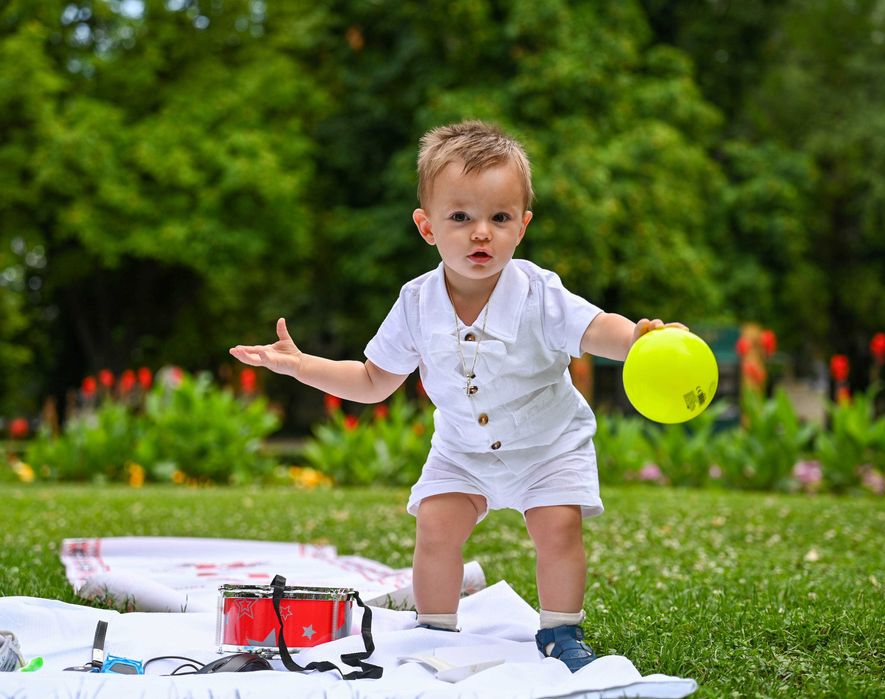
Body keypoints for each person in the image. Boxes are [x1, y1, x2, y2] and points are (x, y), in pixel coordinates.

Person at [229, 120, 686, 672]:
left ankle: (560, 629)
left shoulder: (541, 293)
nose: (481, 233)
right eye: (461, 217)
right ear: (427, 227)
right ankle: (433, 627)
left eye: (500, 218)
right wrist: (302, 367)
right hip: (462, 449)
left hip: (549, 444)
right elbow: (374, 381)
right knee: (436, 527)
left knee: (558, 528)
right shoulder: (416, 303)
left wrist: (637, 336)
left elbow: (595, 330)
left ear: (523, 226)